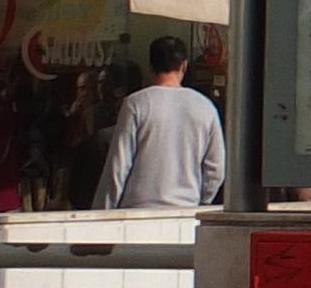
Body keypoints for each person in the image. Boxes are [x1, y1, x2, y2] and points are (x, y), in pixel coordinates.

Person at [93, 37, 224, 209]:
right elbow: (216, 169)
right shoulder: (205, 107)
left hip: (138, 211)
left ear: (151, 67)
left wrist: (103, 211)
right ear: (184, 65)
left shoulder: (136, 103)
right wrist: (201, 201)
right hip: (186, 211)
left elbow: (118, 165)